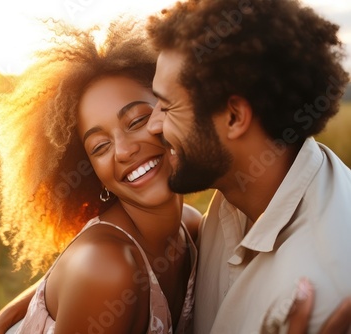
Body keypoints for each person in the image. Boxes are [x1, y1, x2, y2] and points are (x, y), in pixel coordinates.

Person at [145, 0, 351, 333]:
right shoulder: (237, 185)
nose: (153, 125)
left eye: (167, 108)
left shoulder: (323, 296)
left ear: (235, 118)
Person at [0, 19, 202, 333]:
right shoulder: (108, 266)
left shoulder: (191, 228)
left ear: (172, 108)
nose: (124, 151)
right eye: (100, 146)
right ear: (93, 175)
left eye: (138, 120)